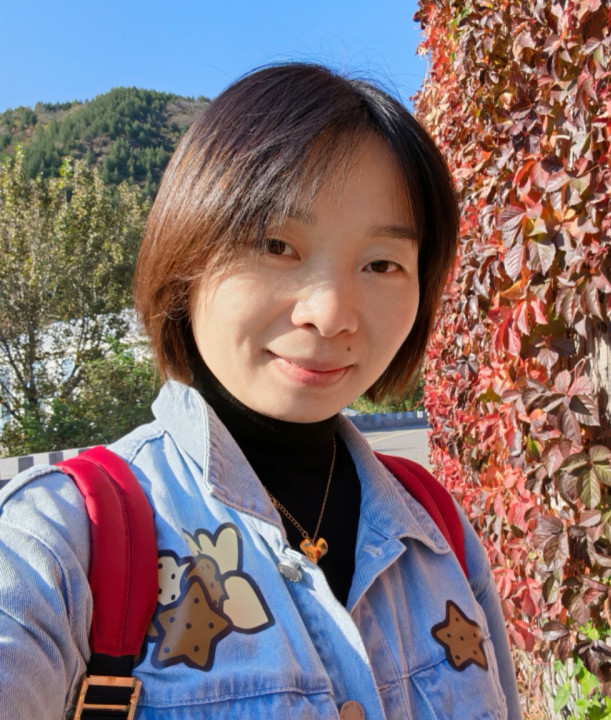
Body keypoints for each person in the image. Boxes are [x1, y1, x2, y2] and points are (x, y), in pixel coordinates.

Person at [0, 63, 521, 719]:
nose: (331, 314)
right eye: (277, 245)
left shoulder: (435, 527)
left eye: (382, 263)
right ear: (188, 255)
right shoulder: (65, 539)